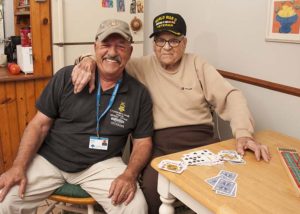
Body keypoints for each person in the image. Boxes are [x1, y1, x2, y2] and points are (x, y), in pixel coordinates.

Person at [72, 12, 271, 214]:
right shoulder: (139, 66)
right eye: (160, 40)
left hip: (201, 141)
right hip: (159, 145)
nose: (166, 47)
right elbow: (109, 59)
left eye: (174, 40)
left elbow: (231, 96)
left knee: (229, 189)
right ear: (154, 43)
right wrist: (87, 59)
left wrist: (244, 133)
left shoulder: (197, 63)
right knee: (151, 194)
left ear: (184, 43)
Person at [0, 19, 153, 214]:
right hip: (51, 160)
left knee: (136, 207)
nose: (112, 53)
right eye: (106, 45)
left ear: (130, 51)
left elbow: (142, 142)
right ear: (95, 48)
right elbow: (38, 125)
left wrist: (130, 174)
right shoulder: (66, 77)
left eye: (121, 47)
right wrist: (18, 166)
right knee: (4, 200)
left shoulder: (139, 94)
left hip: (100, 164)